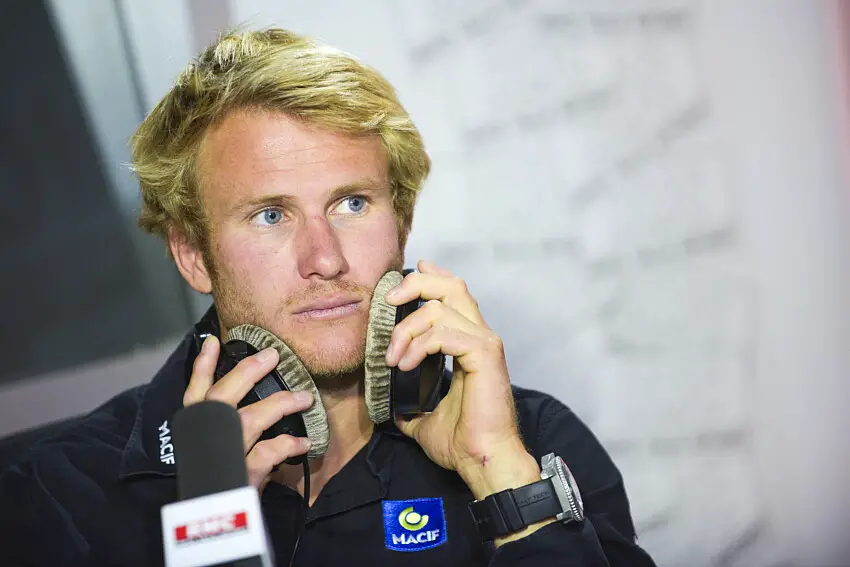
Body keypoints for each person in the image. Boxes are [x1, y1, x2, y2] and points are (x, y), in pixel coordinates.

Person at [0, 27, 656, 566]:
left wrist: (502, 480)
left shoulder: (533, 444)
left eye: (351, 204)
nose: (325, 259)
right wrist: (212, 539)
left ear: (401, 224)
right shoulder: (61, 495)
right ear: (193, 254)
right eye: (270, 215)